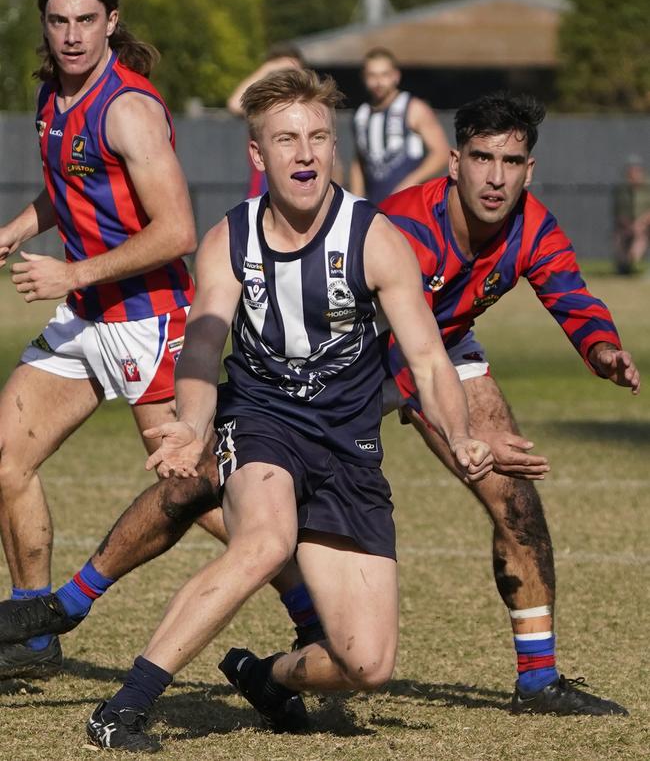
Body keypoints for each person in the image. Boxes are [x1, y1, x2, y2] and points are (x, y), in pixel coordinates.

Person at [7, 67, 489, 751]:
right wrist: (193, 426)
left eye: (319, 137)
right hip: (262, 422)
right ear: (258, 156)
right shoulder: (229, 242)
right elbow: (202, 350)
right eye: (287, 139)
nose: (306, 153)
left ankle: (267, 676)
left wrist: (462, 433)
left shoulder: (374, 239)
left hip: (348, 449)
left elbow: (430, 359)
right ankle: (125, 707)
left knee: (367, 665)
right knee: (265, 542)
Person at [380, 91, 639, 716]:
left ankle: (538, 679)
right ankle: (92, 593)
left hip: (447, 346)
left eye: (512, 161)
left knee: (515, 499)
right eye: (482, 157)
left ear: (530, 169)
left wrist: (602, 348)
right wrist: (459, 428)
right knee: (228, 493)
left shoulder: (533, 225)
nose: (496, 177)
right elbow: (395, 344)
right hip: (356, 354)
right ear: (454, 162)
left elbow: (571, 293)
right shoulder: (405, 227)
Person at [0, 0, 199, 680]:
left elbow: (177, 230)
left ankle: (306, 598)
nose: (72, 34)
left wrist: (72, 271)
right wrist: (22, 226)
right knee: (6, 459)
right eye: (59, 21)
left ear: (112, 22)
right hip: (87, 314)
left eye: (87, 20)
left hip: (147, 317)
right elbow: (72, 184)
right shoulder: (53, 96)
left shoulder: (129, 109)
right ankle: (30, 631)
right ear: (45, 28)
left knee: (189, 489)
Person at [349, 47, 450, 204]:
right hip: (376, 208)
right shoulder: (360, 116)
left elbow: (442, 154)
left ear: (396, 76)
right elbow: (360, 162)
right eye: (372, 75)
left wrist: (410, 184)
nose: (378, 82)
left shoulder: (413, 108)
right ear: (363, 77)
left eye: (384, 74)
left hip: (412, 204)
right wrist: (356, 202)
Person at [227, 43, 305, 198]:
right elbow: (235, 103)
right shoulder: (264, 107)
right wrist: (268, 68)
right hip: (263, 194)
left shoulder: (311, 110)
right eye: (281, 71)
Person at [612, 154, 650, 274]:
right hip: (628, 226)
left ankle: (633, 261)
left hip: (645, 226)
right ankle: (624, 267)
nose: (633, 174)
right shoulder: (622, 190)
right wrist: (629, 226)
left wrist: (641, 224)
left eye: (636, 171)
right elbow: (618, 212)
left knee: (640, 239)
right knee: (618, 238)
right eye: (630, 172)